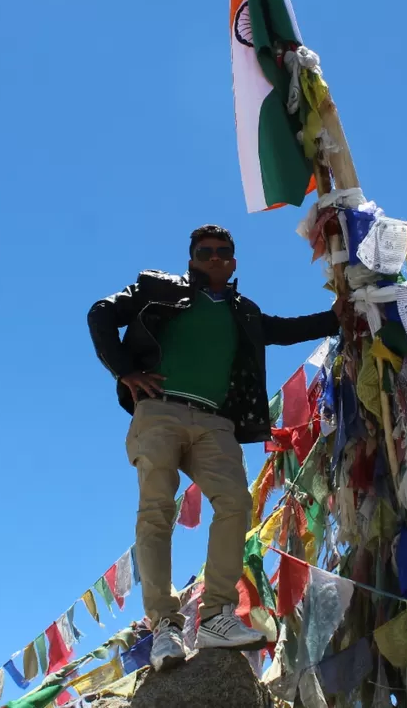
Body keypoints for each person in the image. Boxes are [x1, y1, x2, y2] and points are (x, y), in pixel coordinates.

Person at [87, 224, 341, 672]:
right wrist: (125, 371)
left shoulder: (243, 311)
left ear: (235, 261)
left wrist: (343, 314)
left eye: (223, 252)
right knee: (156, 511)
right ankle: (164, 626)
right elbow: (101, 313)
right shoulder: (156, 287)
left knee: (237, 504)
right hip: (159, 410)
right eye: (205, 252)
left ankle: (215, 617)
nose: (215, 258)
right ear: (191, 259)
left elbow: (284, 330)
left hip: (215, 421)